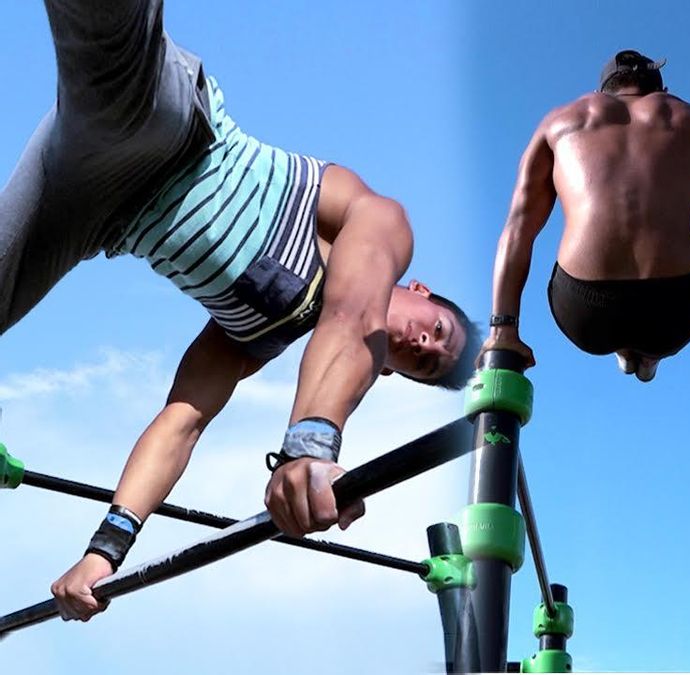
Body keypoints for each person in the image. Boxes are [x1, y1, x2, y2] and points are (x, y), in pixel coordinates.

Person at [16, 2, 480, 622]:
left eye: (424, 363)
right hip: (166, 125)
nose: (424, 344)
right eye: (439, 331)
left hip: (89, 208)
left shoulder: (252, 336)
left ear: (396, 374)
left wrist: (103, 553)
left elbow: (179, 422)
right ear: (420, 290)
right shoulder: (374, 221)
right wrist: (309, 445)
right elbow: (349, 317)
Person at [483, 50, 690, 381]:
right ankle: (648, 356)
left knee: (604, 307)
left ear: (603, 93)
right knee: (654, 338)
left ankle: (627, 351)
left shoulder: (559, 122)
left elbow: (518, 228)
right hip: (674, 309)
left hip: (583, 311)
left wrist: (503, 330)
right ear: (662, 91)